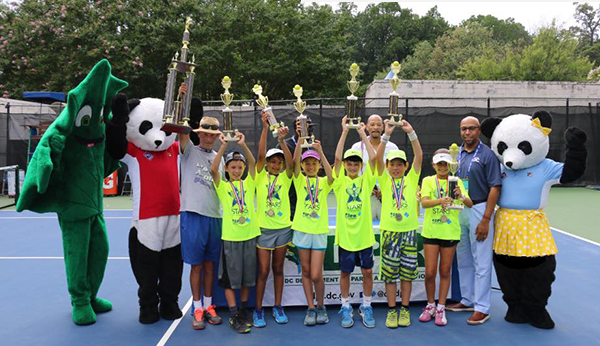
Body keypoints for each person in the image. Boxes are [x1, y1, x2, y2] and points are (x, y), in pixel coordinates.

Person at [446, 116, 502, 325]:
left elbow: (495, 187)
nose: (467, 133)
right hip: (459, 209)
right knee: (463, 258)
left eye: (471, 129)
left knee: (482, 261)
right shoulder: (456, 154)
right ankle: (467, 299)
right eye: (463, 129)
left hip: (479, 208)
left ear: (478, 131)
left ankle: (482, 307)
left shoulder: (488, 155)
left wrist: (486, 218)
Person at [178, 87, 224, 329]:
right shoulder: (187, 152)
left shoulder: (221, 157)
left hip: (215, 218)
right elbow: (179, 126)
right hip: (193, 216)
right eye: (204, 132)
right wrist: (181, 98)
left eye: (212, 133)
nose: (208, 136)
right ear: (198, 133)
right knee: (196, 265)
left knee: (210, 266)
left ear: (216, 136)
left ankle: (208, 305)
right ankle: (197, 309)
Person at [374, 119, 422, 329]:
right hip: (390, 233)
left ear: (406, 166)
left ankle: (405, 308)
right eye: (392, 164)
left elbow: (419, 155)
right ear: (387, 166)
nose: (395, 168)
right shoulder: (384, 180)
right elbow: (376, 161)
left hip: (409, 232)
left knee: (407, 273)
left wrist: (411, 133)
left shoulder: (411, 179)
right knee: (390, 273)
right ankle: (392, 309)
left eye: (399, 164)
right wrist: (386, 135)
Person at [211, 132, 260, 334]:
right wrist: (222, 146)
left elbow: (254, 164)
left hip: (249, 236)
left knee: (248, 277)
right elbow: (213, 169)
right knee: (231, 279)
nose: (237, 170)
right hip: (230, 238)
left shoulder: (249, 183)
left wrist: (244, 144)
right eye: (233, 167)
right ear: (227, 169)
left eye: (240, 167)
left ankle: (243, 310)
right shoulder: (223, 186)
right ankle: (233, 314)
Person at [332, 117, 377, 328]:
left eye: (355, 163)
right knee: (345, 273)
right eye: (349, 163)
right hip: (347, 238)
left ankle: (366, 305)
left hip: (365, 236)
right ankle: (346, 305)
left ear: (360, 166)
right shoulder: (340, 182)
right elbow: (338, 159)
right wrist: (343, 132)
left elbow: (375, 158)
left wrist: (361, 132)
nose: (351, 165)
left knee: (367, 272)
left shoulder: (366, 180)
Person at [419, 149, 473, 326]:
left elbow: (469, 203)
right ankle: (430, 305)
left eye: (445, 164)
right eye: (439, 164)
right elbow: (425, 203)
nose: (442, 167)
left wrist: (461, 195)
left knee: (444, 271)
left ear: (450, 166)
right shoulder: (428, 180)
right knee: (429, 273)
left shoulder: (457, 182)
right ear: (434, 165)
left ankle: (441, 307)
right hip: (431, 232)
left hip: (450, 232)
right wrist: (441, 200)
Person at [253, 112, 294, 327]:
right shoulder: (260, 176)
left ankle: (278, 306)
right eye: (272, 162)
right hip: (264, 230)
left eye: (279, 162)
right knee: (263, 271)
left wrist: (281, 141)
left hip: (283, 229)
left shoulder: (286, 179)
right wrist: (264, 128)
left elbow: (291, 162)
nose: (276, 165)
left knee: (278, 269)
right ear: (267, 163)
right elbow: (259, 156)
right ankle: (258, 310)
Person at [291, 138, 334, 326]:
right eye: (307, 163)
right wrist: (300, 145)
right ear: (302, 165)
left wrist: (320, 151)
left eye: (314, 163)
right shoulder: (299, 181)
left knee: (316, 274)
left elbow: (333, 177)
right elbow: (292, 166)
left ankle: (321, 305)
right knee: (306, 271)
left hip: (319, 232)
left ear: (319, 165)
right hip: (301, 230)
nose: (310, 166)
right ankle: (310, 307)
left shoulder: (324, 182)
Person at [351, 114, 399, 220]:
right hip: (364, 195)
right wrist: (364, 186)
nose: (375, 127)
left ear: (382, 127)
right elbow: (352, 172)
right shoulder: (357, 147)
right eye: (372, 124)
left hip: (387, 196)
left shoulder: (393, 147)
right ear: (367, 127)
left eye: (378, 125)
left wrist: (387, 189)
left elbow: (397, 172)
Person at [277, 115, 313, 221]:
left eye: (309, 126)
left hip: (309, 197)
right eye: (303, 125)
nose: (308, 128)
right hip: (290, 197)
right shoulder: (284, 145)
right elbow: (282, 170)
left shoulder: (314, 145)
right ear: (296, 128)